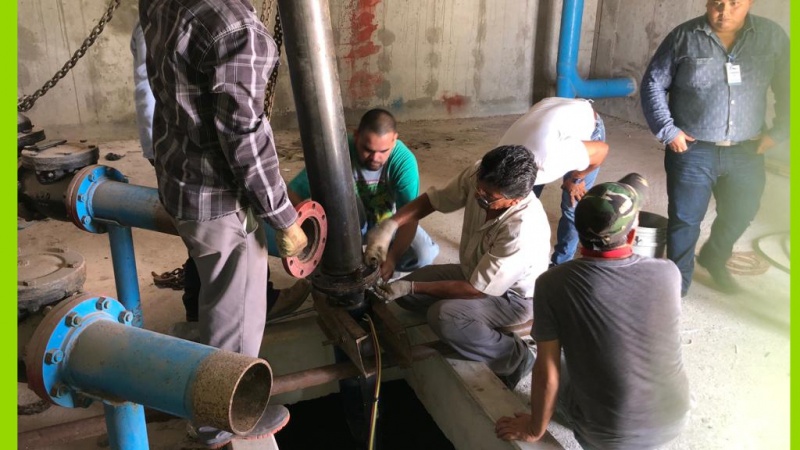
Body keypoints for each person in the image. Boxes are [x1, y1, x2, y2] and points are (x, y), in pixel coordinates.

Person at [140, 0, 308, 446]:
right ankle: (218, 421)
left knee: (217, 293)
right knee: (237, 316)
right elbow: (244, 138)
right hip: (218, 199)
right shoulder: (237, 29)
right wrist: (283, 218)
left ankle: (204, 394)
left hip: (179, 179)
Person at [130, 20, 310, 325]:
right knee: (236, 235)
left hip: (169, 144)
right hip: (201, 159)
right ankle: (257, 303)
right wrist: (284, 218)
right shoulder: (229, 26)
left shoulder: (160, 12)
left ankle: (196, 305)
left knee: (206, 238)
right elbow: (243, 138)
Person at [495, 174, 691, 449]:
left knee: (561, 365)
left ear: (577, 230)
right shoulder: (668, 272)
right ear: (632, 235)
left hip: (607, 435)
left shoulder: (554, 282)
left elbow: (547, 372)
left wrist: (533, 429)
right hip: (674, 417)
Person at [366, 145, 550, 389]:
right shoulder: (480, 175)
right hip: (472, 271)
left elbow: (476, 289)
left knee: (444, 316)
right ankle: (469, 321)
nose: (479, 195)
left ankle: (516, 358)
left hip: (513, 297)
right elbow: (434, 200)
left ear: (515, 200)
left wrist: (411, 287)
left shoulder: (521, 230)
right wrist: (391, 225)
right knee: (407, 298)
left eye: (489, 196)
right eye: (479, 188)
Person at [640, 0, 789, 296]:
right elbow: (653, 84)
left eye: (735, 3)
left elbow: (789, 87)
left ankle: (714, 256)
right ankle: (677, 287)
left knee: (743, 210)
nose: (724, 11)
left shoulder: (771, 37)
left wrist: (779, 132)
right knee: (685, 221)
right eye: (717, 3)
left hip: (747, 150)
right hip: (692, 150)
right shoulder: (683, 37)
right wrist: (668, 131)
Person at [283, 108, 439, 280]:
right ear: (357, 135)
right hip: (343, 226)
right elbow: (291, 193)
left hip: (386, 223)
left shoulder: (404, 162)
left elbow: (410, 216)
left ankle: (378, 270)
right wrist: (313, 233)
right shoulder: (336, 153)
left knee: (423, 253)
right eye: (368, 149)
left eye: (383, 151)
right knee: (348, 202)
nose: (375, 158)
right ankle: (339, 271)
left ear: (394, 139)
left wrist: (392, 258)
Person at [498, 97, 608, 267]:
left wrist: (577, 178)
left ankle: (561, 265)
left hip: (585, 128)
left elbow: (601, 151)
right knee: (519, 208)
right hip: (552, 114)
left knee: (572, 206)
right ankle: (519, 256)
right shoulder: (499, 157)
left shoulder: (550, 160)